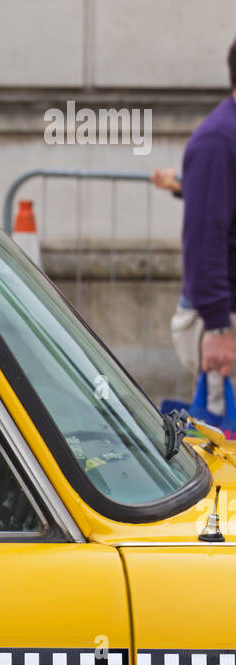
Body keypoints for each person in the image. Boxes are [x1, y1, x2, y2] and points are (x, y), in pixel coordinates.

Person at [154, 38, 236, 415]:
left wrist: (184, 185)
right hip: (224, 320)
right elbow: (205, 240)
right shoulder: (218, 140)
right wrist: (219, 330)